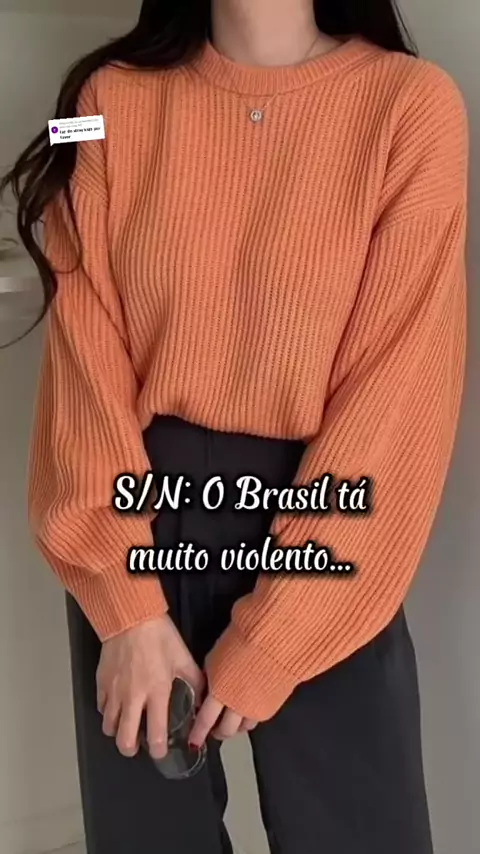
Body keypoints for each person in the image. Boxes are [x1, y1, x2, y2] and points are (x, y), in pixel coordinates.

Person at [0, 1, 469, 852]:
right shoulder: (102, 100)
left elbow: (398, 394)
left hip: (331, 533)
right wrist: (126, 609)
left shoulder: (413, 104)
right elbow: (81, 363)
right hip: (141, 528)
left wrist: (280, 636)